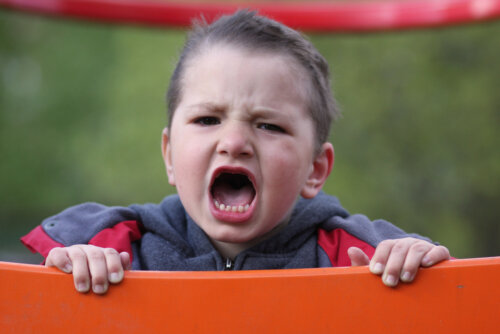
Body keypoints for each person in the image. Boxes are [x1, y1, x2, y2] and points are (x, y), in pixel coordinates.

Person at [21, 10, 449, 294]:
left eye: (268, 125)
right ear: (169, 154)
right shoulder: (115, 249)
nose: (235, 142)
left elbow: (458, 300)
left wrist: (418, 271)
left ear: (315, 170)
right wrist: (69, 274)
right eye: (208, 120)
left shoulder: (358, 256)